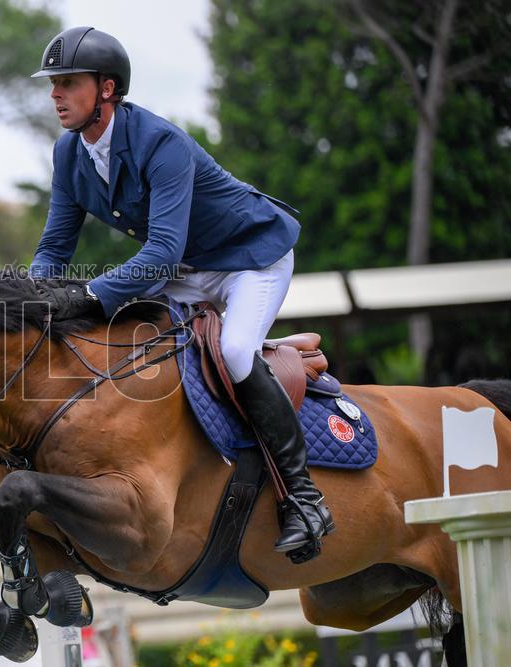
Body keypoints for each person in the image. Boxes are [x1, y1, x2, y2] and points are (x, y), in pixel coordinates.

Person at [28, 26, 333, 560]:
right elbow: (55, 244)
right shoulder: (69, 153)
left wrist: (89, 293)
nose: (55, 94)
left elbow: (162, 252)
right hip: (188, 270)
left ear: (106, 89)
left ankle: (304, 499)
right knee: (126, 341)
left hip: (249, 259)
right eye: (53, 83)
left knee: (236, 351)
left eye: (67, 83)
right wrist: (26, 301)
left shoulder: (160, 142)